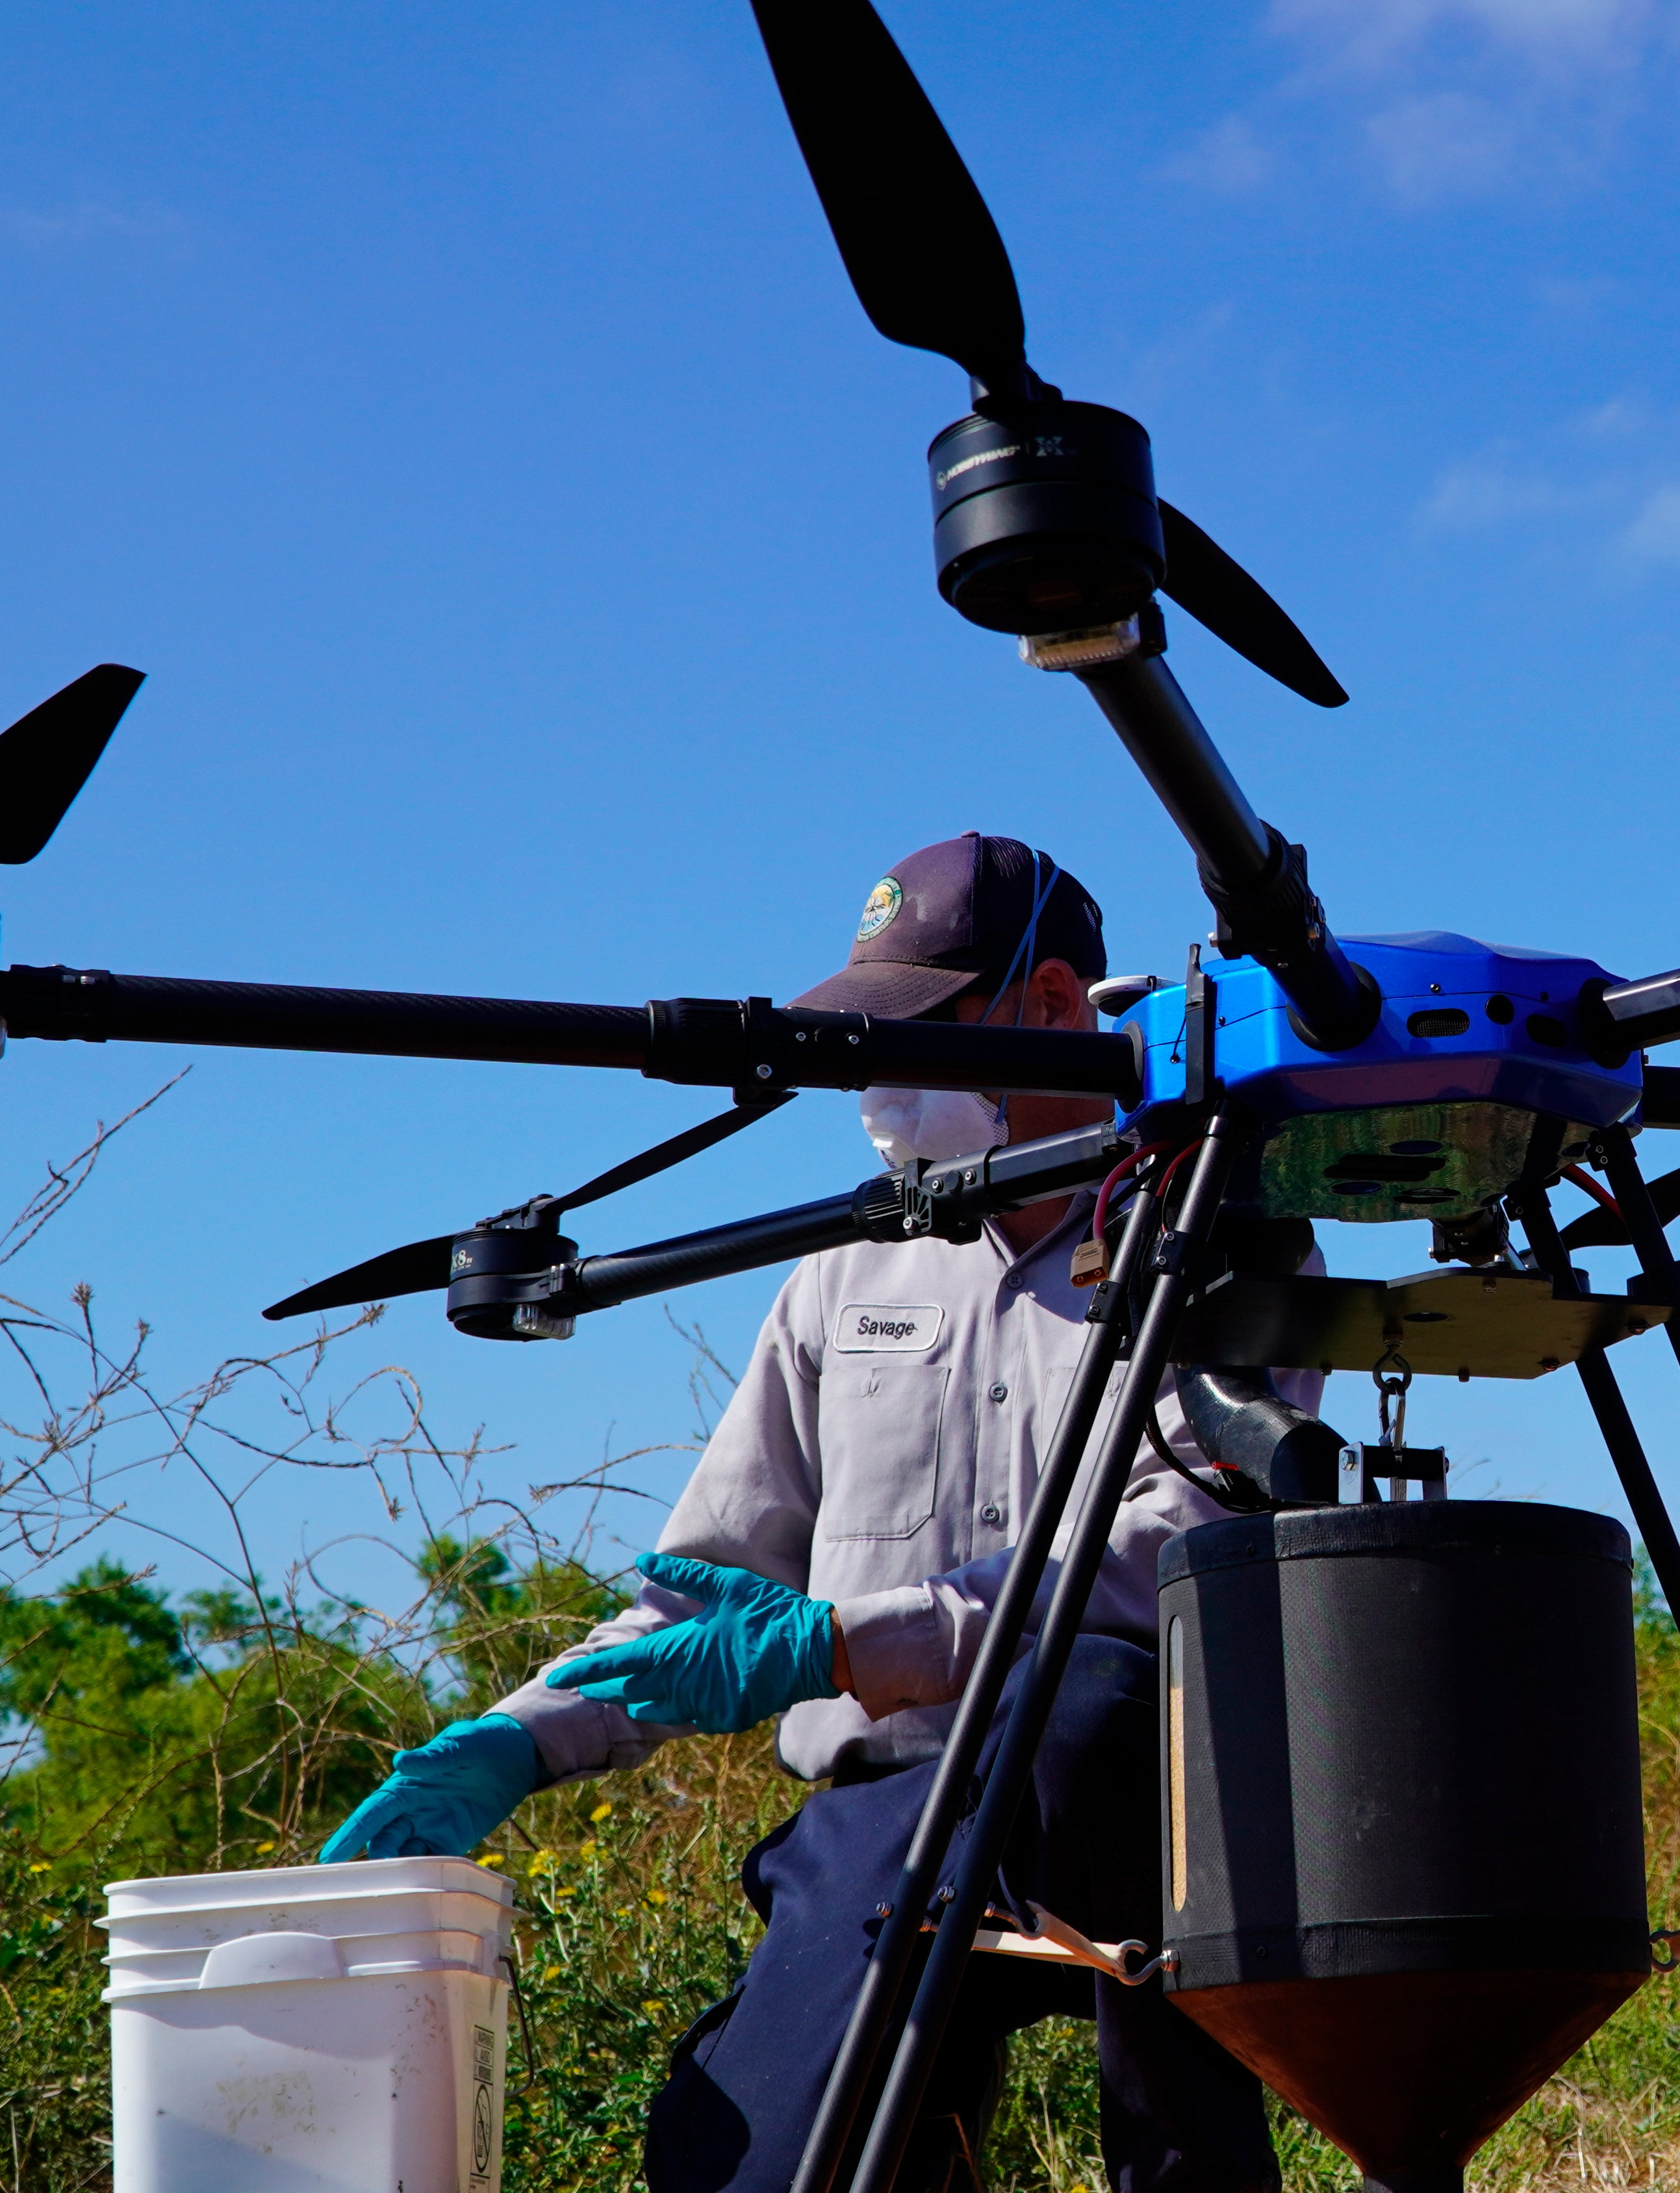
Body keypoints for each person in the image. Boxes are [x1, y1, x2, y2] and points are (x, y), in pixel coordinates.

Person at [321, 832, 1299, 2193]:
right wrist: (515, 1738)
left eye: (922, 1033)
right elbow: (707, 1598)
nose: (882, 1082)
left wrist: (846, 1641)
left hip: (1140, 1793)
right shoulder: (847, 1271)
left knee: (1088, 1707)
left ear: (1059, 1005)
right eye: (865, 1040)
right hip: (884, 1803)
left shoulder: (1215, 1218)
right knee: (758, 2158)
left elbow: (1179, 1544)